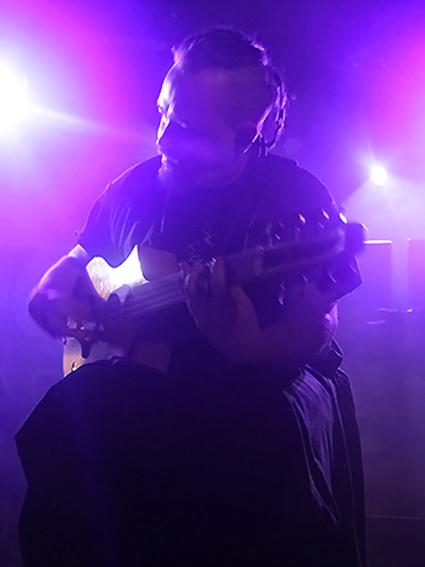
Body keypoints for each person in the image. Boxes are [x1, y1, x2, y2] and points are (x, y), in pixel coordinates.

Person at [16, 28, 366, 567]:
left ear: (246, 134)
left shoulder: (294, 197)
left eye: (186, 128)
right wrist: (54, 294)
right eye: (163, 115)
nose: (162, 140)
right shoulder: (134, 187)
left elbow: (317, 324)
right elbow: (77, 261)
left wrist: (251, 347)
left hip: (258, 383)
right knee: (68, 430)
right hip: (141, 381)